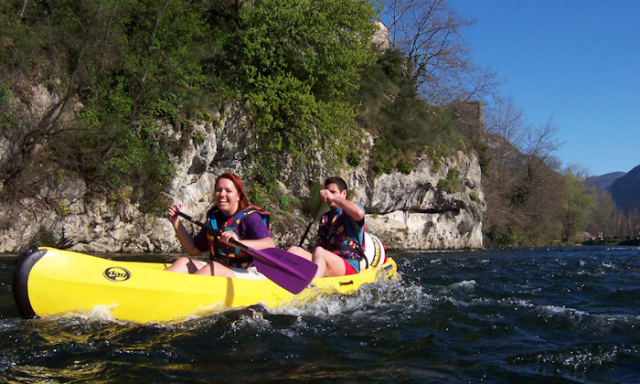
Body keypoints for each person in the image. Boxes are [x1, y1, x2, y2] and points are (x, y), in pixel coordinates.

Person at [165, 172, 274, 279]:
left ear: (238, 196)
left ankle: (183, 293)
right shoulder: (214, 219)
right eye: (218, 190)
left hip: (249, 271)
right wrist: (176, 223)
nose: (222, 194)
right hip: (221, 268)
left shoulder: (251, 218)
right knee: (182, 262)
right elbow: (193, 249)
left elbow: (269, 245)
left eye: (228, 191)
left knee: (213, 268)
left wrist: (238, 243)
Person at [288, 176, 366, 278]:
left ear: (344, 193)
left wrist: (333, 198)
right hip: (326, 260)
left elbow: (359, 213)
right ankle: (276, 277)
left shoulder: (350, 211)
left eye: (333, 192)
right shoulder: (325, 217)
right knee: (295, 250)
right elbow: (319, 246)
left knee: (320, 251)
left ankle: (312, 284)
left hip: (348, 264)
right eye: (327, 192)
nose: (328, 196)